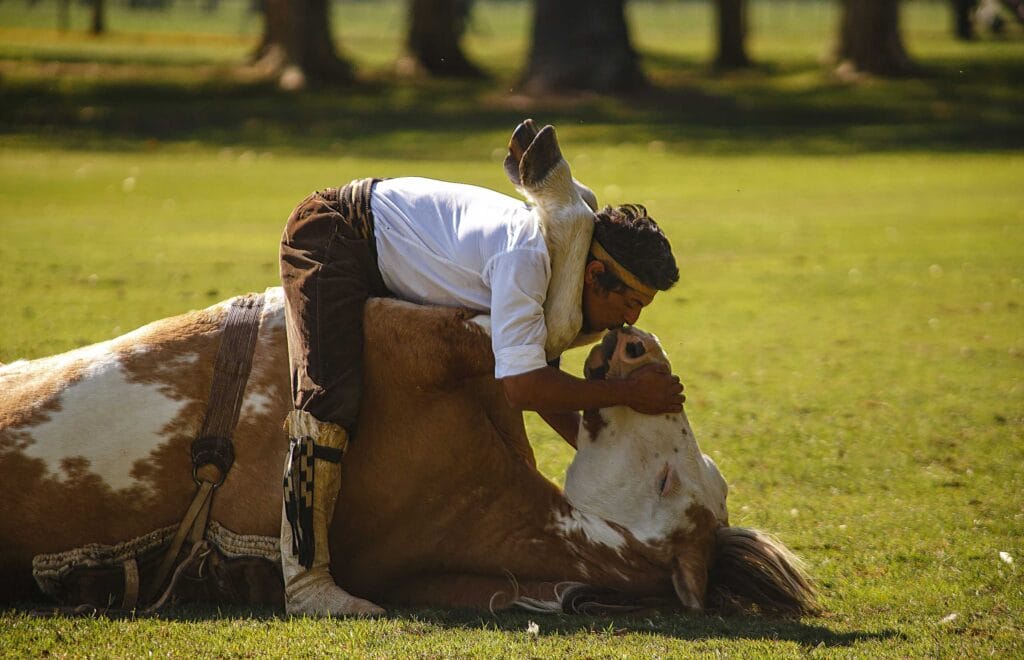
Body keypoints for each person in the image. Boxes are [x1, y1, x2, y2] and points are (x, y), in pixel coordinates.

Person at [277, 120, 684, 616]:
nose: (631, 320)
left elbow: (538, 372)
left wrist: (599, 450)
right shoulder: (527, 258)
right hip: (334, 236)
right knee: (328, 404)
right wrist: (627, 396)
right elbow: (523, 387)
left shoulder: (553, 274)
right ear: (595, 274)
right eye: (632, 301)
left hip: (375, 247)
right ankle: (304, 583)